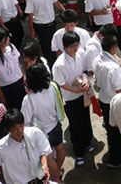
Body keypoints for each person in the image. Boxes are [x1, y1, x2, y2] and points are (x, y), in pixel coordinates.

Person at [51, 31, 94, 166]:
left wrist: (85, 81)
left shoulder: (81, 54)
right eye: (72, 46)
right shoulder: (59, 64)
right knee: (75, 126)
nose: (75, 48)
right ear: (65, 47)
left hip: (82, 94)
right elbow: (61, 84)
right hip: (70, 98)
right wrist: (75, 90)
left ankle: (87, 143)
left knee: (86, 120)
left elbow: (83, 72)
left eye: (77, 45)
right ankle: (79, 152)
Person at [21, 63, 67, 178]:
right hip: (55, 126)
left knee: (49, 157)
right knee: (60, 148)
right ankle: (58, 169)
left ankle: (55, 178)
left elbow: (24, 120)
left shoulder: (29, 99)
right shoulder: (52, 88)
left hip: (41, 133)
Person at [0, 109, 54, 184]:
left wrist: (44, 166)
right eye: (15, 129)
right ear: (8, 129)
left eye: (21, 126)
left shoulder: (34, 133)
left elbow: (43, 151)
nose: (19, 131)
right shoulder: (0, 147)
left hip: (39, 179)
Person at [91, 34, 121, 169]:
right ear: (114, 48)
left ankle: (115, 154)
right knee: (116, 132)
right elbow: (119, 89)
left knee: (111, 128)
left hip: (104, 99)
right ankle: (116, 160)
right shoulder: (113, 68)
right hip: (114, 101)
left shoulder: (98, 60)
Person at [24, 0, 65, 64]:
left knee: (55, 44)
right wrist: (32, 30)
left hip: (52, 23)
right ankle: (50, 65)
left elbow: (57, 2)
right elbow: (30, 15)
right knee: (47, 47)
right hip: (41, 26)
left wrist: (65, 12)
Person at [0, 27, 25, 110]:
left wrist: (24, 78)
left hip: (19, 83)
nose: (9, 39)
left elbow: (18, 64)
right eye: (6, 38)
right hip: (7, 89)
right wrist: (1, 97)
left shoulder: (11, 47)